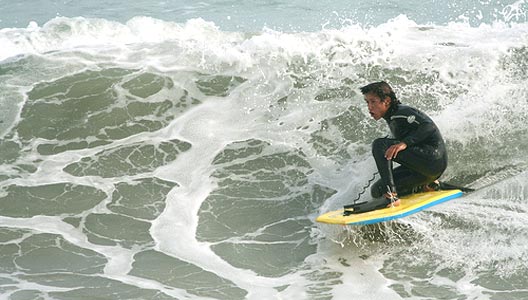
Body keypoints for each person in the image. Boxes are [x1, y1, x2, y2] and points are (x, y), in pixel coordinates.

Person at [361, 81, 447, 207]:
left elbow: (429, 127)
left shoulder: (401, 112)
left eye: (373, 101)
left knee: (380, 145)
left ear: (387, 101)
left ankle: (392, 197)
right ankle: (428, 185)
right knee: (378, 190)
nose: (369, 107)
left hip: (433, 160)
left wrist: (405, 143)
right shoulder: (392, 118)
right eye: (367, 102)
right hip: (422, 171)